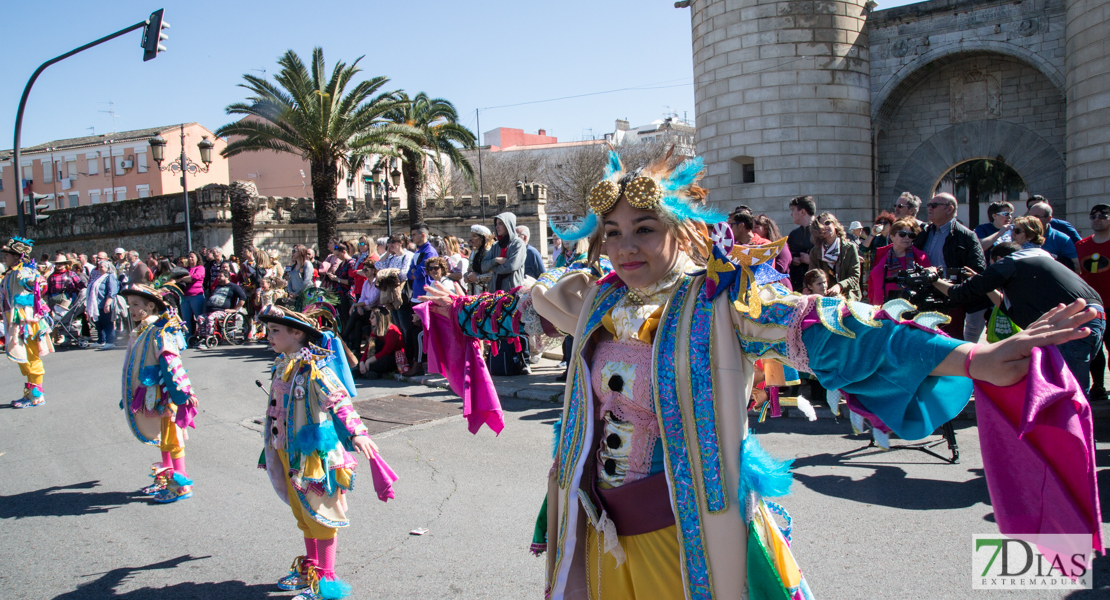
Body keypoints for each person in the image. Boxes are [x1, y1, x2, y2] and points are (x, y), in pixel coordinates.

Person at [419, 149, 1101, 599]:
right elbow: (521, 312)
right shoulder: (599, 297)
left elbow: (837, 326)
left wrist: (972, 358)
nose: (626, 246)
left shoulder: (722, 300)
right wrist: (454, 311)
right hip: (594, 534)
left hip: (687, 534)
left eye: (645, 229)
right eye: (614, 232)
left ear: (682, 233)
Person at [257, 304, 382, 600]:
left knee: (322, 515)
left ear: (296, 333)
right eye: (268, 330)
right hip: (286, 450)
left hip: (314, 456)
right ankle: (311, 567)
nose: (268, 336)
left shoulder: (315, 368)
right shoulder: (281, 364)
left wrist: (358, 432)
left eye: (275, 331)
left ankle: (325, 581)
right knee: (303, 514)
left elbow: (339, 401)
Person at [933, 241, 1105, 395]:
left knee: (1069, 394)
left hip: (1072, 322)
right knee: (1070, 390)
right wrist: (983, 284)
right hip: (1094, 317)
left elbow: (959, 293)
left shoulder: (1009, 263)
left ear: (998, 259)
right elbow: (1010, 310)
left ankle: (1073, 430)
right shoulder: (1037, 262)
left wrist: (933, 279)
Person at [119, 283, 199, 504]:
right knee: (164, 438)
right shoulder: (144, 330)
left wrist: (183, 393)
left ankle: (180, 484)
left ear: (151, 305)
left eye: (136, 304)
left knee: (173, 439)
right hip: (153, 395)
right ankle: (165, 478)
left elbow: (171, 361)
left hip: (166, 395)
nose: (131, 309)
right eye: (129, 305)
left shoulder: (159, 330)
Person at [913, 192, 988, 341]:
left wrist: (956, 283)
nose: (930, 208)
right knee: (921, 340)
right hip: (923, 296)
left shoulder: (966, 235)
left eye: (934, 205)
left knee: (949, 342)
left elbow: (978, 270)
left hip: (950, 299)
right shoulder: (923, 233)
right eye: (929, 205)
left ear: (949, 209)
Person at [1, 237, 53, 408]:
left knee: (32, 357)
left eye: (7, 254)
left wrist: (33, 282)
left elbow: (36, 284)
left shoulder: (25, 271)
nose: (4, 257)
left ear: (17, 256)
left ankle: (37, 396)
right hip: (14, 321)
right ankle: (30, 394)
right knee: (24, 359)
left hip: (26, 321)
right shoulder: (10, 273)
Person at [482, 212, 529, 375]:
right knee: (501, 327)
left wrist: (495, 268)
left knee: (518, 327)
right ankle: (504, 360)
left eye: (500, 224)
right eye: (496, 224)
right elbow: (483, 265)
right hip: (497, 294)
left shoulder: (518, 244)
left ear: (508, 225)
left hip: (513, 293)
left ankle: (524, 360)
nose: (497, 227)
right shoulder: (496, 246)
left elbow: (512, 266)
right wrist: (495, 261)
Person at [1076, 203, 1110, 401]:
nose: (1097, 218)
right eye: (1093, 215)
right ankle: (1098, 385)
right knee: (1094, 348)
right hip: (1092, 306)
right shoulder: (1081, 246)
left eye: (1103, 215)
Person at [867, 218, 931, 304]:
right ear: (892, 236)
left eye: (911, 235)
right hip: (879, 308)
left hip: (906, 308)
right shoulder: (882, 254)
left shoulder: (920, 257)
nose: (907, 238)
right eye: (902, 234)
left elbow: (928, 285)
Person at [808, 212, 862, 301]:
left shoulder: (849, 248)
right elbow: (811, 277)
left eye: (827, 223)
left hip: (848, 297)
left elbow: (854, 277)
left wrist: (839, 286)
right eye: (820, 225)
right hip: (825, 298)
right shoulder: (815, 252)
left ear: (835, 225)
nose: (824, 227)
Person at [1026, 202, 1079, 272]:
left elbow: (1076, 267)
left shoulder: (1062, 239)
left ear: (1049, 218)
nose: (1031, 220)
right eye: (1029, 217)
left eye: (1036, 217)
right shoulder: (1020, 234)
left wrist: (1051, 258)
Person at [344, 262, 380, 351]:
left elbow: (372, 300)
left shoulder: (378, 282)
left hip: (376, 310)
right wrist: (359, 306)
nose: (364, 272)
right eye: (363, 269)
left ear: (373, 270)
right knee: (358, 322)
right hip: (367, 309)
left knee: (355, 315)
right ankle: (357, 349)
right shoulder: (366, 283)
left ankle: (343, 338)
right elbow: (362, 297)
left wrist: (356, 305)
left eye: (366, 269)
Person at [357, 307, 403, 379]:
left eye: (372, 317)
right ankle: (369, 371)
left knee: (383, 361)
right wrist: (362, 362)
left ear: (380, 318)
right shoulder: (375, 329)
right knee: (359, 358)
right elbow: (369, 347)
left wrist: (368, 361)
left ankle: (370, 371)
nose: (370, 319)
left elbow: (386, 351)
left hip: (394, 357)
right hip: (380, 355)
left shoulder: (392, 330)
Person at [752, 214, 792, 288]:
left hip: (779, 285)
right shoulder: (755, 246)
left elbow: (781, 267)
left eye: (756, 227)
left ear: (766, 228)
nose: (753, 231)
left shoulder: (781, 245)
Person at [88, 259, 120, 349]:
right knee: (99, 324)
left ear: (107, 268)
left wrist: (107, 304)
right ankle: (101, 340)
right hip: (97, 304)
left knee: (107, 323)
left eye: (102, 267)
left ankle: (110, 341)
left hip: (105, 303)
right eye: (99, 267)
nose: (100, 269)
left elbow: (112, 291)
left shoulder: (110, 277)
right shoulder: (98, 277)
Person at [322, 241, 357, 322]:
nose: (337, 257)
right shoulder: (342, 264)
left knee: (348, 319)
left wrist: (337, 279)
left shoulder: (351, 263)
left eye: (338, 255)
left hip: (347, 295)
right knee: (342, 319)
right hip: (339, 294)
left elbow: (351, 281)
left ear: (344, 252)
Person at [787, 195, 815, 290]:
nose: (791, 214)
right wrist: (793, 259)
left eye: (793, 210)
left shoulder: (821, 234)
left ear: (802, 212)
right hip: (798, 286)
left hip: (817, 286)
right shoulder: (793, 234)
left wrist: (811, 260)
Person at [179, 251, 206, 339]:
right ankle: (188, 337)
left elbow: (196, 277)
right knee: (186, 318)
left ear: (197, 258)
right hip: (185, 296)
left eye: (192, 257)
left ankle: (202, 335)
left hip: (196, 296)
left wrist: (184, 279)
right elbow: (179, 278)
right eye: (189, 257)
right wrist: (186, 279)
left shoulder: (200, 268)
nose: (190, 259)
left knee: (199, 317)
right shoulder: (185, 269)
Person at [462, 225, 494, 294]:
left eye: (474, 236)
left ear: (482, 238)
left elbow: (493, 274)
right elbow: (470, 269)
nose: (471, 239)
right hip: (472, 290)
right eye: (471, 236)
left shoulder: (489, 252)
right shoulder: (473, 251)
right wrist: (466, 276)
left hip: (486, 291)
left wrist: (478, 277)